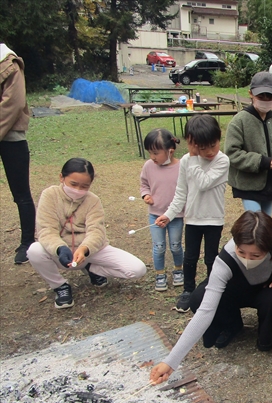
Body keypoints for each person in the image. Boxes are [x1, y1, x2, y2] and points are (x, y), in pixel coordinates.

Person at [149, 211, 272, 383]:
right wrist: (171, 362)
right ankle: (232, 325)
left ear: (270, 248)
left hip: (265, 289)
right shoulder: (225, 260)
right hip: (234, 292)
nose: (248, 259)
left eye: (256, 255)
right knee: (199, 298)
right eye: (242, 252)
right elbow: (205, 311)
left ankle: (266, 330)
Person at [27, 158, 146, 309]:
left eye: (84, 186)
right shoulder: (50, 195)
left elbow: (96, 231)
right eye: (73, 184)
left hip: (89, 252)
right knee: (34, 250)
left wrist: (84, 249)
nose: (78, 190)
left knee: (137, 269)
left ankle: (91, 269)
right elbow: (46, 229)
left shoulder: (93, 200)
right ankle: (60, 286)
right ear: (61, 178)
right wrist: (60, 248)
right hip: (60, 251)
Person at [155, 115, 229, 313]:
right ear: (192, 143)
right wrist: (169, 215)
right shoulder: (187, 161)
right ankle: (188, 290)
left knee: (211, 258)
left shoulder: (222, 160)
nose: (210, 151)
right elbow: (181, 193)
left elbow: (204, 183)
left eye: (213, 145)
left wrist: (196, 157)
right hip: (193, 219)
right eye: (204, 148)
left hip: (214, 219)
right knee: (190, 257)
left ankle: (213, 291)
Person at [224, 72, 272, 216]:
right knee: (257, 222)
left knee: (265, 224)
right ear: (251, 94)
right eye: (261, 96)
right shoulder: (239, 121)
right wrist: (261, 161)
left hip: (270, 184)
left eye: (270, 97)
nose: (266, 100)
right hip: (248, 185)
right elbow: (232, 153)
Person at [0, 43, 36, 264]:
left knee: (21, 192)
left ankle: (27, 243)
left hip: (11, 134)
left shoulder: (10, 64)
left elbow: (12, 104)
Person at [140, 128, 184, 292]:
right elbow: (144, 184)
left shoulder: (181, 167)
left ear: (170, 151)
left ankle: (178, 270)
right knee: (158, 246)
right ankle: (160, 274)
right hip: (155, 214)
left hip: (176, 216)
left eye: (156, 153)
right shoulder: (148, 166)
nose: (152, 157)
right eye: (150, 153)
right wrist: (146, 196)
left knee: (175, 245)